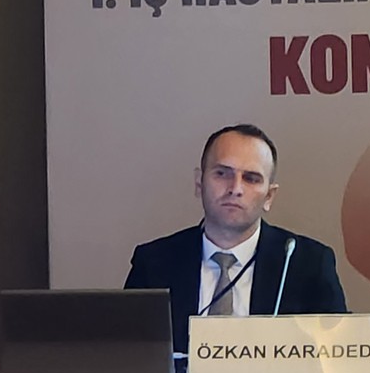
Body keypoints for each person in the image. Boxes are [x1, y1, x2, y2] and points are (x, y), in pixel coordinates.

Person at [124, 123, 346, 354]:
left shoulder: (308, 264)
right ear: (199, 183)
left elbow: (338, 359)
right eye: (222, 174)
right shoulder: (153, 263)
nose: (235, 188)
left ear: (269, 196)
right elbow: (126, 357)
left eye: (251, 178)